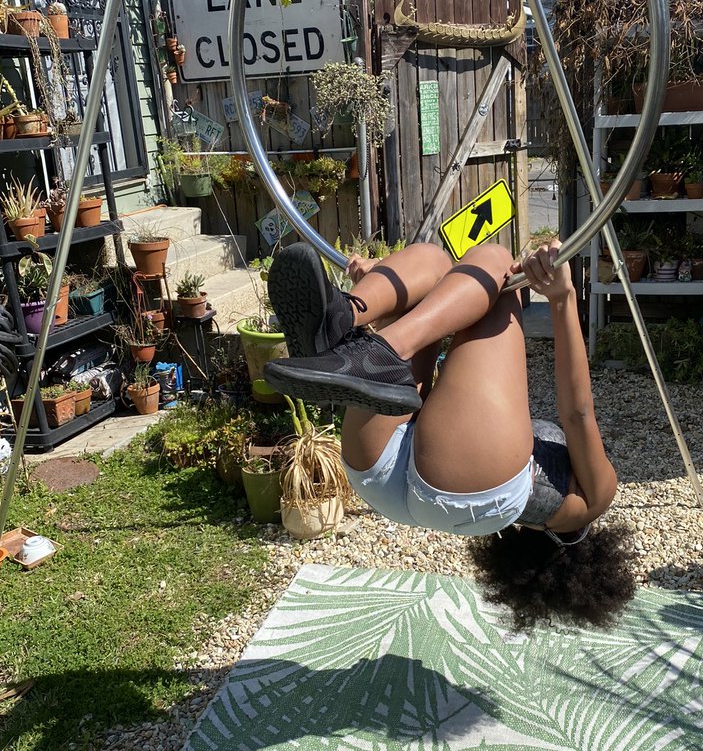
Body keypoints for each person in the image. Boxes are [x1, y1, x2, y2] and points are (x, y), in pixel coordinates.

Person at [263, 238, 635, 629]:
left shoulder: (596, 500)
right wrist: (392, 297)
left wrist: (562, 299)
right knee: (434, 272)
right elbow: (449, 404)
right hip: (383, 484)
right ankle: (342, 318)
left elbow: (577, 414)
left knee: (494, 268)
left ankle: (374, 339)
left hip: (470, 484)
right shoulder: (529, 519)